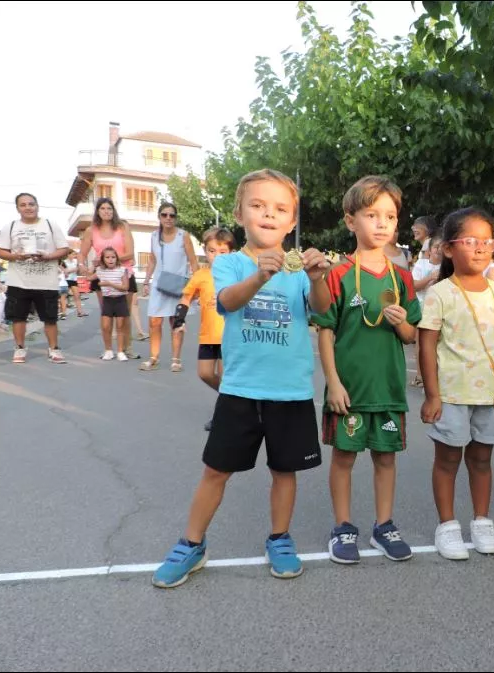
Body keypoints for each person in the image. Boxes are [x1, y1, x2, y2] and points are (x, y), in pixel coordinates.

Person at [151, 169, 330, 589]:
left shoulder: (300, 267)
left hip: (291, 391)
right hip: (241, 389)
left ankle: (280, 538)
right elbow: (228, 302)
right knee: (216, 470)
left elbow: (321, 312)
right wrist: (260, 276)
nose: (269, 214)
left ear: (291, 222)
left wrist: (319, 277)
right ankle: (191, 544)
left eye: (280, 209)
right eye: (258, 205)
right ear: (239, 213)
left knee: (285, 471)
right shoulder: (229, 262)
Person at [312, 176, 422, 565]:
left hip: (388, 389)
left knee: (385, 458)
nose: (381, 223)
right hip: (350, 391)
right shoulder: (338, 275)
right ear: (350, 221)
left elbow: (411, 335)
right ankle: (342, 527)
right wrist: (334, 384)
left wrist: (400, 323)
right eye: (371, 214)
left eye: (389, 216)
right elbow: (325, 332)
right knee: (344, 458)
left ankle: (384, 525)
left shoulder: (401, 277)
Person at [419, 207, 494, 560]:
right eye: (470, 241)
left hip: (491, 395)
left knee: (482, 460)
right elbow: (427, 344)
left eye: (487, 242)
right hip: (450, 394)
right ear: (449, 249)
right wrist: (432, 395)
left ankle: (482, 521)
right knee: (448, 460)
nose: (480, 249)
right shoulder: (440, 293)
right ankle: (447, 526)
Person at [172, 227, 237, 431]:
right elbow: (186, 297)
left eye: (222, 252)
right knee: (205, 374)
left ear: (231, 253)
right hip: (208, 335)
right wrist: (179, 320)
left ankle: (222, 416)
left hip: (229, 336)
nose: (216, 256)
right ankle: (236, 399)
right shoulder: (201, 275)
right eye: (211, 251)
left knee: (226, 377)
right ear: (205, 250)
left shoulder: (236, 274)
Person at [0, 193, 70, 364]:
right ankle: (20, 349)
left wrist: (49, 256)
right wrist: (17, 256)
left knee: (50, 318)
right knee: (18, 317)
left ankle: (54, 349)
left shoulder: (50, 225)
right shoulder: (11, 226)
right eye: (23, 205)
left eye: (31, 204)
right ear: (18, 208)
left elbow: (64, 249)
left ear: (37, 206)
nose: (28, 207)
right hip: (18, 281)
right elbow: (1, 251)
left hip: (47, 282)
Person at [139, 202, 200, 372]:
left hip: (178, 284)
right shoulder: (153, 236)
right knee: (154, 321)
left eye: (172, 215)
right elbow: (152, 260)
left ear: (176, 218)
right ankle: (154, 357)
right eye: (164, 215)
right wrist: (146, 281)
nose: (168, 218)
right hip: (159, 284)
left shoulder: (183, 236)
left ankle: (175, 359)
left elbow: (193, 261)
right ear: (159, 217)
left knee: (176, 321)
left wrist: (198, 285)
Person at [78, 198, 138, 358]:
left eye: (109, 208)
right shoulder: (91, 230)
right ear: (98, 211)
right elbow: (82, 253)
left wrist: (109, 259)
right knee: (107, 312)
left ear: (114, 210)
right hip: (102, 275)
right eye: (103, 208)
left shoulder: (122, 226)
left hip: (123, 273)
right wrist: (81, 265)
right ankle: (109, 348)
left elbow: (131, 253)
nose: (106, 211)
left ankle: (127, 347)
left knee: (124, 313)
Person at [410, 234, 442, 387]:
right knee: (421, 343)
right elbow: (414, 286)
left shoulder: (448, 266)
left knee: (438, 343)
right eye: (436, 247)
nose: (439, 250)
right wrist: (430, 277)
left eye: (443, 247)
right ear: (430, 250)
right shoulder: (421, 264)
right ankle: (420, 375)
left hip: (441, 310)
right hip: (422, 308)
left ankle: (436, 375)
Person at [88, 247, 130, 361]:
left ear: (116, 258)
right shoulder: (100, 271)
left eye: (113, 257)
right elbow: (88, 277)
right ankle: (108, 350)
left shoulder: (122, 270)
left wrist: (109, 284)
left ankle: (121, 351)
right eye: (107, 257)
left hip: (120, 300)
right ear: (103, 259)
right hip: (107, 300)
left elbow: (125, 287)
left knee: (120, 326)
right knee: (106, 326)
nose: (110, 259)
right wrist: (93, 265)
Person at [63, 251, 87, 318]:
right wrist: (73, 270)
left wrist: (73, 270)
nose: (74, 255)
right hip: (65, 280)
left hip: (73, 280)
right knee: (64, 297)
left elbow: (79, 269)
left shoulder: (76, 261)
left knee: (77, 296)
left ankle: (80, 312)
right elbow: (65, 271)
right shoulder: (64, 262)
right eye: (73, 254)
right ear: (68, 255)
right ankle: (63, 313)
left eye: (75, 254)